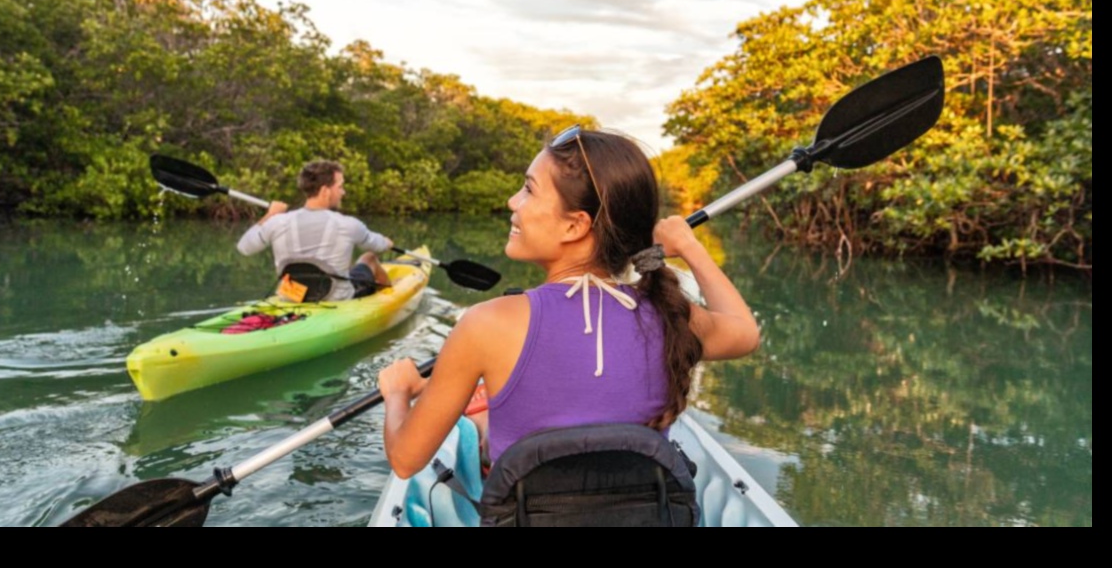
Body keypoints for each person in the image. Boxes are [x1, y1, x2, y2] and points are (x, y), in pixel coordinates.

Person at [377, 126, 760, 479]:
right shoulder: (669, 314)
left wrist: (397, 393)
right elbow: (744, 333)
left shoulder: (486, 324)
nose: (513, 202)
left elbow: (407, 460)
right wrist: (690, 248)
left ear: (575, 225)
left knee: (481, 424)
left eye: (528, 189)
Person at [236, 160, 394, 301]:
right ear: (325, 191)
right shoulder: (348, 225)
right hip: (336, 299)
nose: (343, 192)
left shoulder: (277, 222)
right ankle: (391, 299)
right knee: (369, 258)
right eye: (340, 186)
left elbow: (244, 248)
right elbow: (378, 246)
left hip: (292, 297)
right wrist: (387, 242)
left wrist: (269, 215)